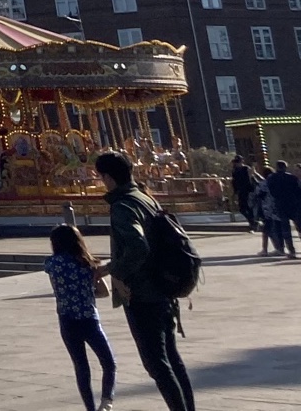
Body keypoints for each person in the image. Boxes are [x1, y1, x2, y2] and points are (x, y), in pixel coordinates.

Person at [98, 151, 195, 411]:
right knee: (171, 359)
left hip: (142, 293)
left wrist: (113, 270)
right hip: (164, 287)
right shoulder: (144, 197)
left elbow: (138, 247)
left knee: (156, 363)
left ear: (107, 178)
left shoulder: (123, 206)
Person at [43, 224, 116, 411]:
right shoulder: (87, 264)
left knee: (81, 367)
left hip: (67, 321)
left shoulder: (52, 264)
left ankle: (90, 408)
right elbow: (103, 292)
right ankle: (106, 401)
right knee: (108, 363)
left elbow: (57, 287)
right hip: (89, 318)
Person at [263, 159, 301, 257]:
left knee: (285, 229)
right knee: (299, 226)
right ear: (285, 167)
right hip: (294, 205)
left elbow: (271, 191)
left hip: (280, 205)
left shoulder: (271, 178)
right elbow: (298, 191)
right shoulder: (292, 178)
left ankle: (291, 251)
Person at [230, 156, 262, 228]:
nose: (237, 163)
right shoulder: (235, 170)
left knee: (248, 207)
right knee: (242, 208)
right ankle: (252, 221)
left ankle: (253, 222)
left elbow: (251, 178)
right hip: (241, 190)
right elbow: (234, 182)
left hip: (248, 190)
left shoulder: (246, 168)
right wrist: (235, 192)